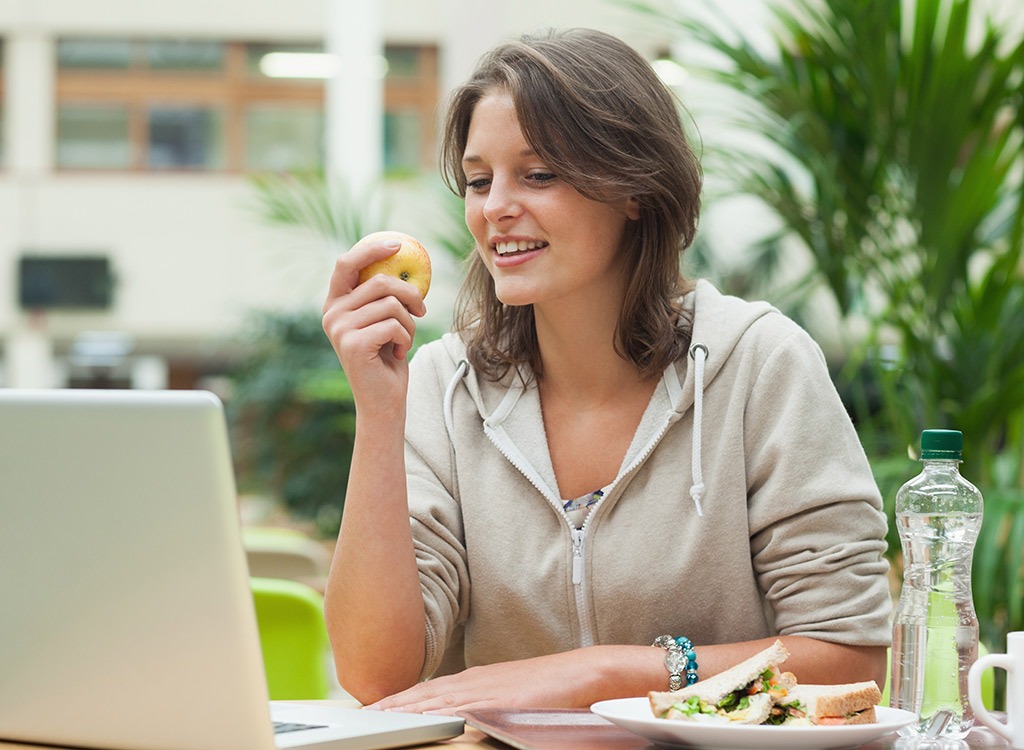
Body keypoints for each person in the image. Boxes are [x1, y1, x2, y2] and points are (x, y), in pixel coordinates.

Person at [320, 27, 892, 713]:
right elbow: (376, 678)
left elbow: (850, 656)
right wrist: (379, 413)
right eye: (478, 180)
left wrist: (600, 675)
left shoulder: (758, 364)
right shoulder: (444, 388)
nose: (495, 207)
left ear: (633, 189)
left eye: (539, 174)